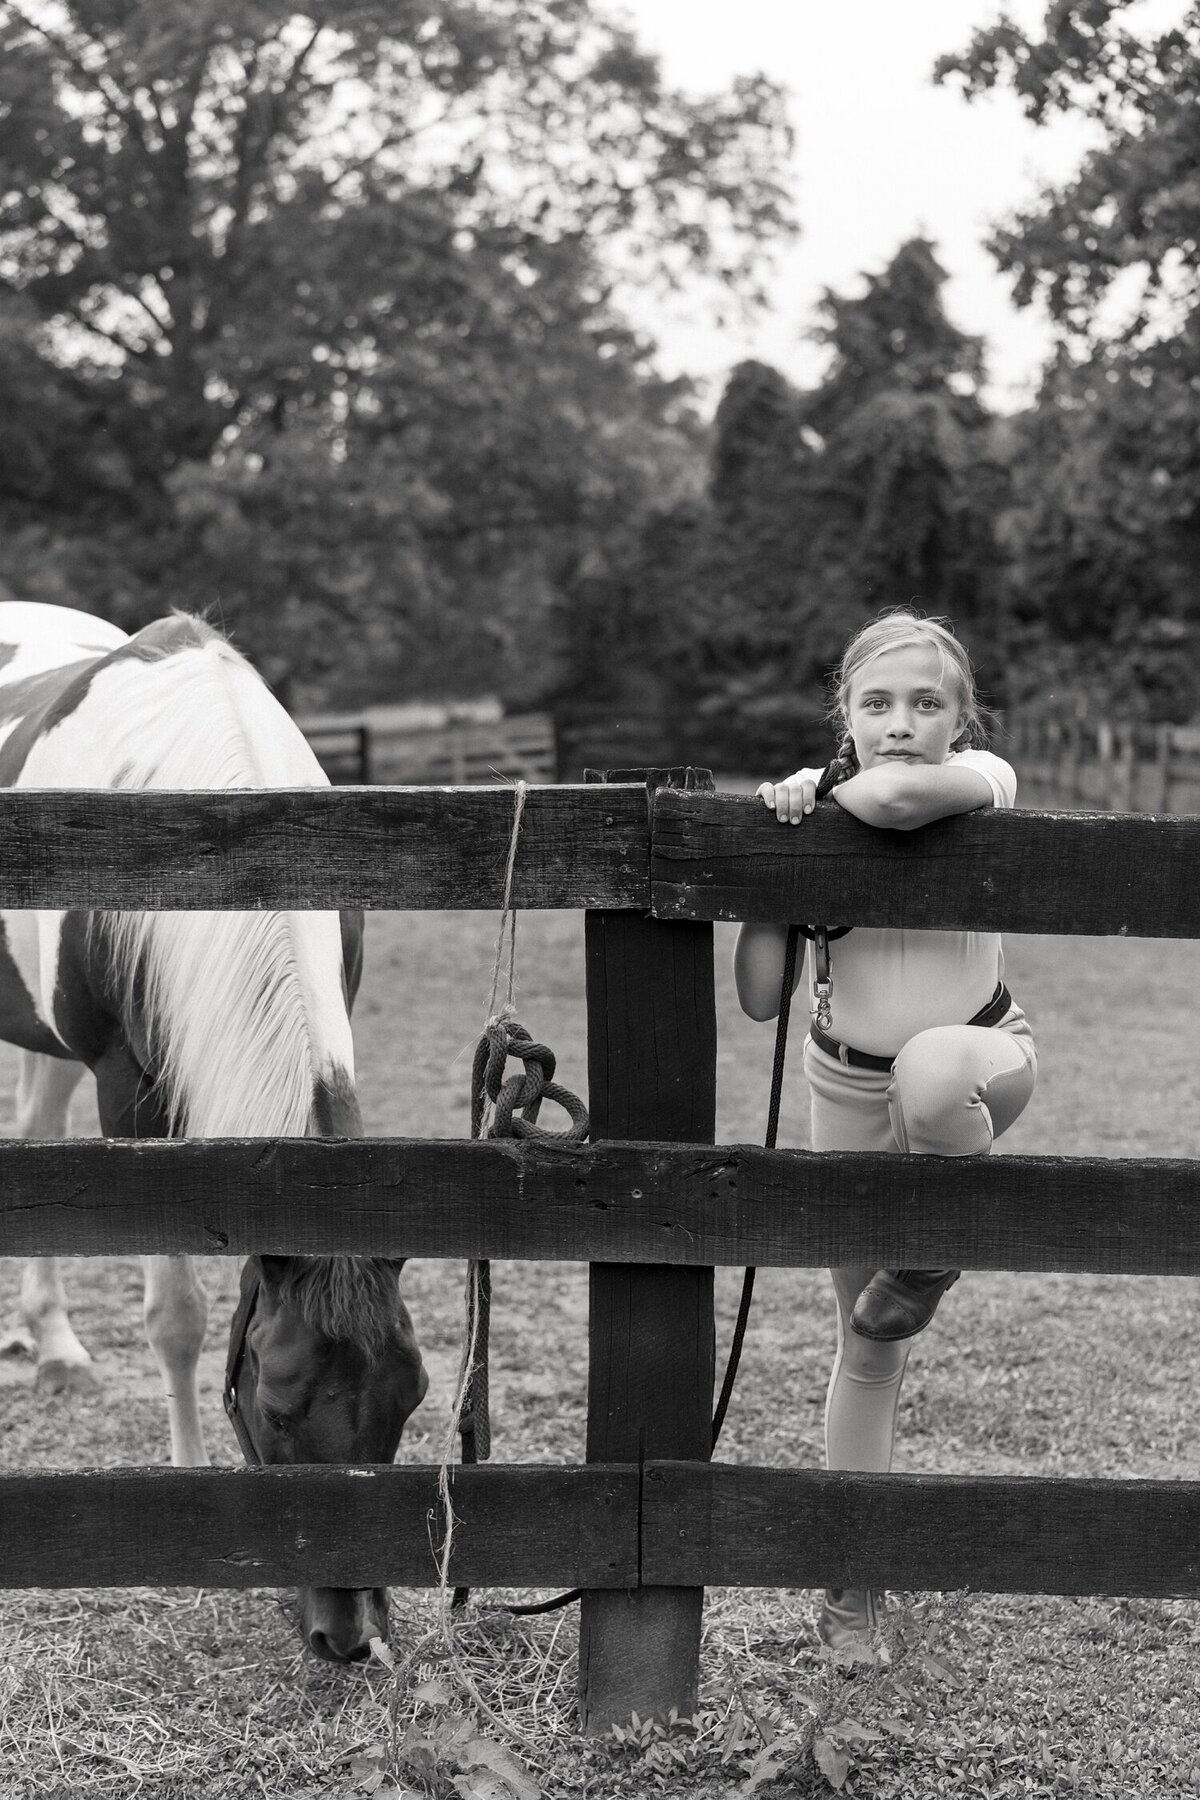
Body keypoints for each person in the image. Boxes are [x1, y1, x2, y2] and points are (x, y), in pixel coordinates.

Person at [733, 608, 1037, 1656]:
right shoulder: (814, 812)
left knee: (933, 1067)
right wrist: (780, 866)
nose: (900, 724)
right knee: (864, 1347)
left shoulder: (983, 777)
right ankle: (851, 1590)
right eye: (877, 704)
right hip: (842, 1085)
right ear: (846, 714)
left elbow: (905, 800)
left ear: (963, 718)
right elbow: (763, 1000)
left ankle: (935, 1247)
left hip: (981, 1068)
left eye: (926, 703)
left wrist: (826, 799)